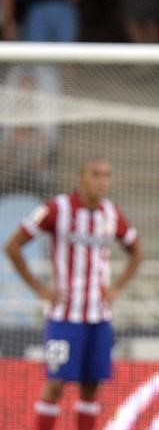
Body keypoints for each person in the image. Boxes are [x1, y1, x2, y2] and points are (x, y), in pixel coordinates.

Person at [4, 158, 142, 430]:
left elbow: (136, 250)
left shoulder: (111, 213)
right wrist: (39, 289)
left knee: (91, 386)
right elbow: (13, 246)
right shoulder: (56, 209)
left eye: (107, 175)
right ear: (80, 178)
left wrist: (116, 288)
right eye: (95, 174)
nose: (102, 180)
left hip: (99, 318)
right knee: (55, 383)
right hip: (64, 318)